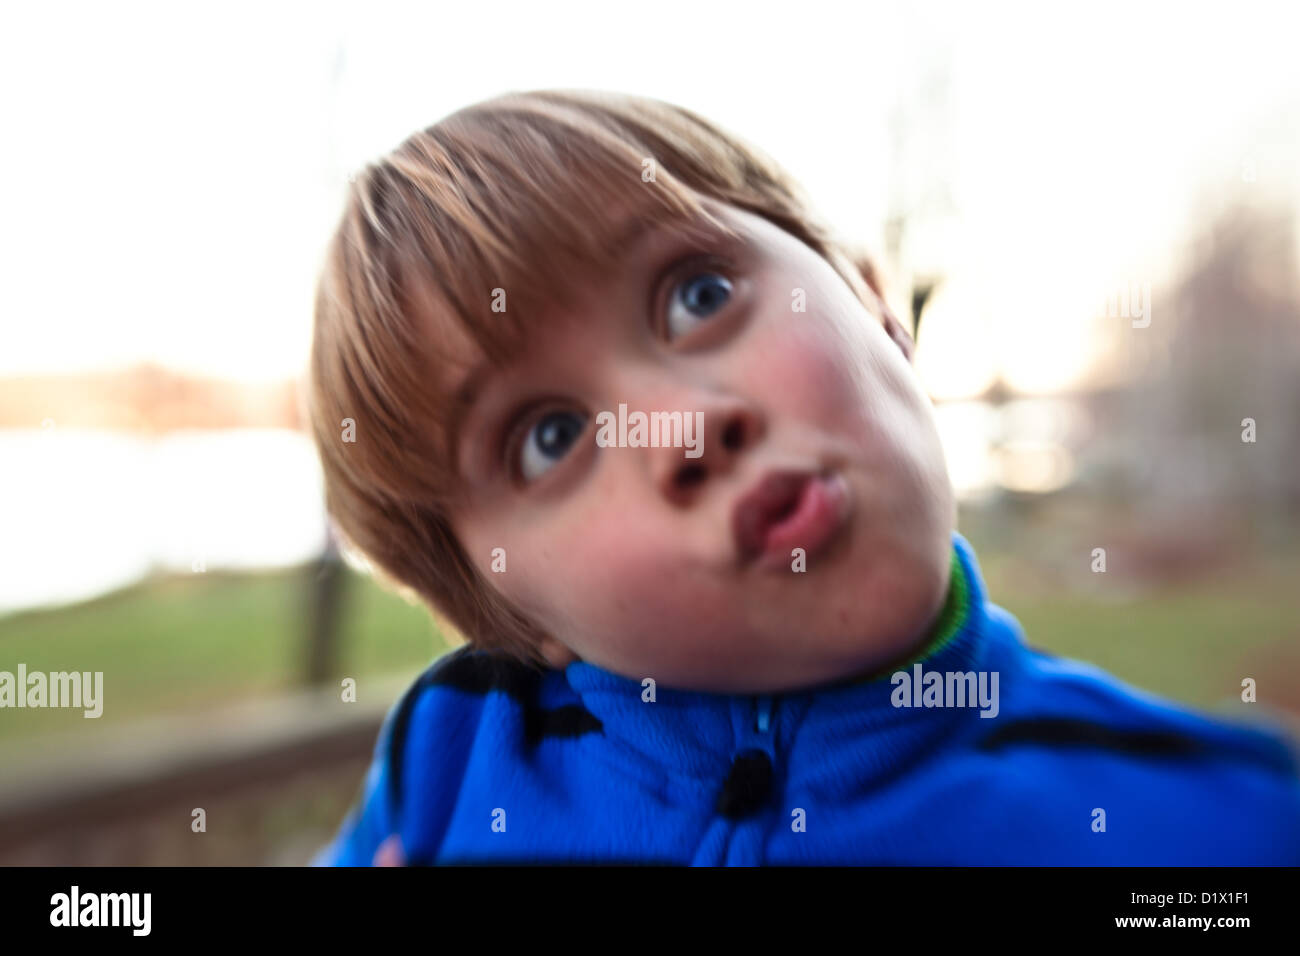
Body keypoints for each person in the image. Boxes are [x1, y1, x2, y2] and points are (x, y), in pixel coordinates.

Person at [307, 89, 1300, 865]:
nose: (688, 424)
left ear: (873, 301)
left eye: (697, 294)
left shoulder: (1219, 820)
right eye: (550, 436)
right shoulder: (450, 756)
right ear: (508, 611)